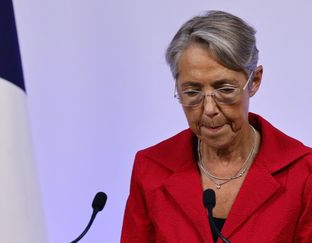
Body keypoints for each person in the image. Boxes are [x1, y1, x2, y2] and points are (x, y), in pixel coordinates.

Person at [121, 10, 312, 242]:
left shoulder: (303, 172)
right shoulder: (151, 168)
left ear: (255, 81)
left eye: (225, 89)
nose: (209, 108)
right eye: (192, 92)